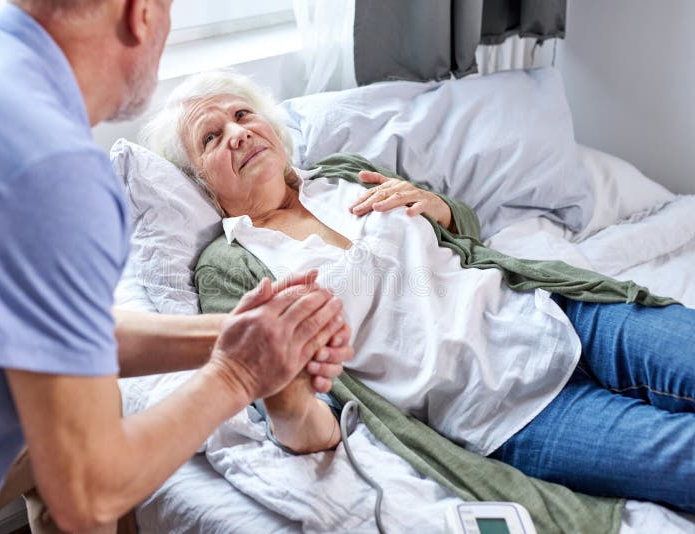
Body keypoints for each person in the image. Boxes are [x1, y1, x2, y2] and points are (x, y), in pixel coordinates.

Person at [142, 70, 695, 513]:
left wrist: (443, 209)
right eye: (211, 137)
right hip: (506, 408)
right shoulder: (228, 265)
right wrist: (285, 390)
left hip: (558, 313)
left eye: (242, 115)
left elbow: (467, 242)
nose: (237, 132)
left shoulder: (342, 173)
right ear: (202, 186)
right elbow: (290, 414)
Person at [0, 2, 354, 533]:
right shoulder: (52, 165)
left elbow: (60, 326)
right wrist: (239, 374)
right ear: (140, 14)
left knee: (94, 396)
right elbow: (88, 493)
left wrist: (236, 334)